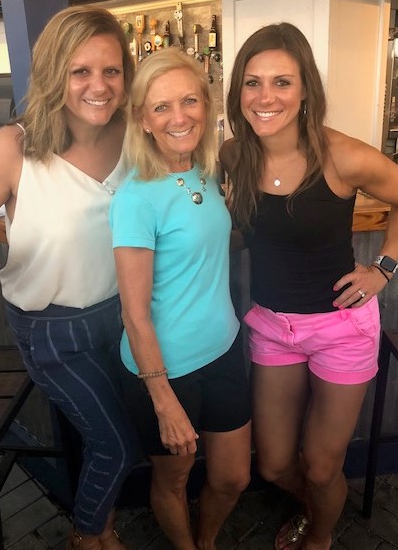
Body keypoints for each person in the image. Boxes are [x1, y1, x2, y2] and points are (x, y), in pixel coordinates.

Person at [220, 22, 398, 550]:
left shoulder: (342, 156)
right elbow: (251, 230)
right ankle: (315, 504)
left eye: (282, 82)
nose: (265, 97)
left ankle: (321, 537)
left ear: (306, 89)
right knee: (274, 464)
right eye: (253, 82)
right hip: (272, 326)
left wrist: (384, 268)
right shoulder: (234, 154)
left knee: (323, 465)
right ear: (238, 90)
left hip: (342, 328)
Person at [0, 6, 138, 550]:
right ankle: (88, 536)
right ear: (52, 73)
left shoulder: (136, 135)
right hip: (53, 331)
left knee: (120, 435)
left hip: (124, 318)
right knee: (115, 444)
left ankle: (101, 525)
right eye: (79, 71)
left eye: (111, 71)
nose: (99, 86)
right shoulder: (14, 148)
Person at [109, 47, 252, 550]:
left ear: (206, 106)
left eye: (189, 101)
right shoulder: (135, 197)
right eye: (162, 107)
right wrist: (163, 400)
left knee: (233, 477)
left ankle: (205, 541)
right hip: (165, 369)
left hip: (224, 349)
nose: (179, 117)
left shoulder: (206, 172)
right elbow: (134, 313)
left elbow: (207, 241)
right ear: (143, 120)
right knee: (173, 479)